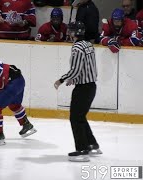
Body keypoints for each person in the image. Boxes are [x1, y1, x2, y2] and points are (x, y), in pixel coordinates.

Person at [54, 21, 102, 162]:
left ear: (76, 33)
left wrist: (61, 80)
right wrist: (75, 79)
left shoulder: (77, 48)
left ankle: (82, 150)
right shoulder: (88, 45)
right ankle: (92, 144)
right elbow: (87, 67)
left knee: (75, 118)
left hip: (83, 89)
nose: (69, 33)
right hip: (90, 86)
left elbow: (75, 70)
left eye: (71, 30)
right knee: (80, 117)